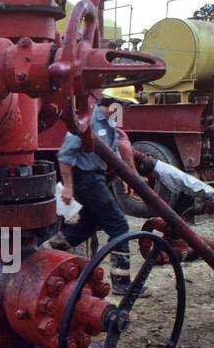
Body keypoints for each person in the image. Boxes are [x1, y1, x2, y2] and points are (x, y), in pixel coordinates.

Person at [48, 87, 143, 295]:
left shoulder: (110, 124)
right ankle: (121, 283)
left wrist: (125, 178)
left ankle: (45, 252)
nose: (125, 111)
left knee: (87, 226)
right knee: (119, 225)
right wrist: (69, 187)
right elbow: (64, 155)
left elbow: (112, 154)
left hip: (96, 178)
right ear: (115, 104)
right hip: (86, 180)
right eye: (125, 106)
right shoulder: (87, 122)